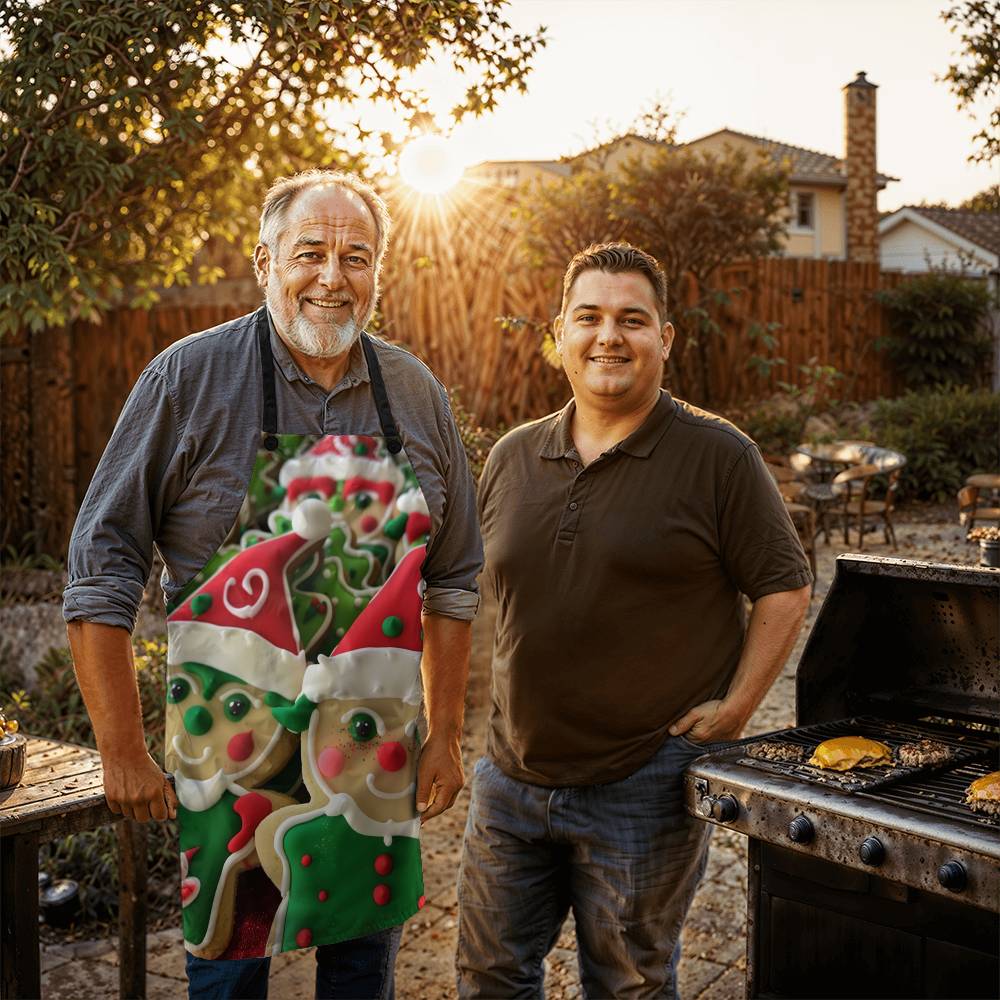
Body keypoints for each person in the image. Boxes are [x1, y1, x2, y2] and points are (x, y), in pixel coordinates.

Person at [64, 169, 482, 1000]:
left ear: (378, 274)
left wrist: (446, 732)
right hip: (230, 757)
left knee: (364, 975)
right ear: (265, 262)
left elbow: (456, 576)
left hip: (372, 760)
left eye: (356, 257)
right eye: (311, 253)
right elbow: (101, 563)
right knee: (227, 981)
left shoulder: (416, 393)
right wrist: (120, 748)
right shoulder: (186, 381)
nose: (333, 277)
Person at [457, 242, 812, 999]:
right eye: (588, 317)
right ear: (559, 334)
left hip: (642, 783)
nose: (608, 336)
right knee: (489, 978)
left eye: (631, 319)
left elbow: (785, 586)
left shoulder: (719, 457)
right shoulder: (514, 457)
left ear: (665, 339)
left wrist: (739, 706)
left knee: (629, 985)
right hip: (509, 777)